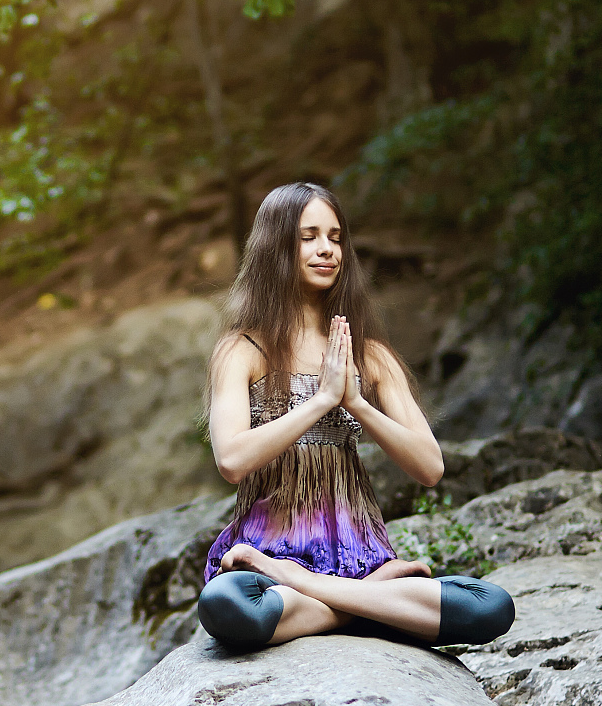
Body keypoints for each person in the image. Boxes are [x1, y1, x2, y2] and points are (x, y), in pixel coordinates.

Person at [195, 182, 514, 653]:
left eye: (335, 237)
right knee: (229, 605)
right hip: (271, 550)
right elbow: (232, 460)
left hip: (357, 557)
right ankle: (373, 606)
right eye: (308, 237)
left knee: (490, 606)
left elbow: (430, 467)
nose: (327, 249)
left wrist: (357, 404)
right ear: (275, 247)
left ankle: (327, 595)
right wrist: (321, 401)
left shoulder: (369, 354)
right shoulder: (243, 350)